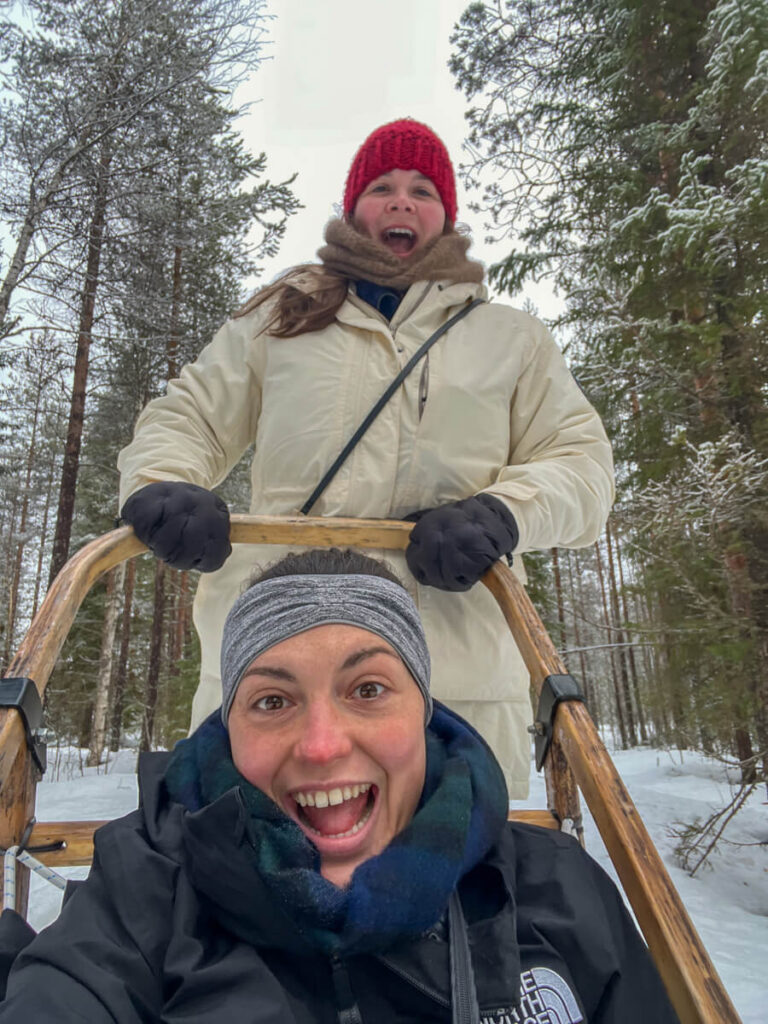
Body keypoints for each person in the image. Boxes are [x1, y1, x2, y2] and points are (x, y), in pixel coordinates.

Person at [117, 118, 615, 797]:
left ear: (446, 215)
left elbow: (582, 465)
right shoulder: (281, 318)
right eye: (382, 186)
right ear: (354, 208)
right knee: (243, 878)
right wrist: (165, 484)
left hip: (453, 680)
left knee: (455, 890)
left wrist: (503, 513)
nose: (402, 201)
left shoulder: (514, 339)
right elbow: (192, 414)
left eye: (422, 189)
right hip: (273, 661)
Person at [0, 549, 678, 1022]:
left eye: (370, 689)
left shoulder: (553, 893)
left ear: (426, 713)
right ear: (227, 729)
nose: (323, 745)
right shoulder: (146, 886)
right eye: (271, 700)